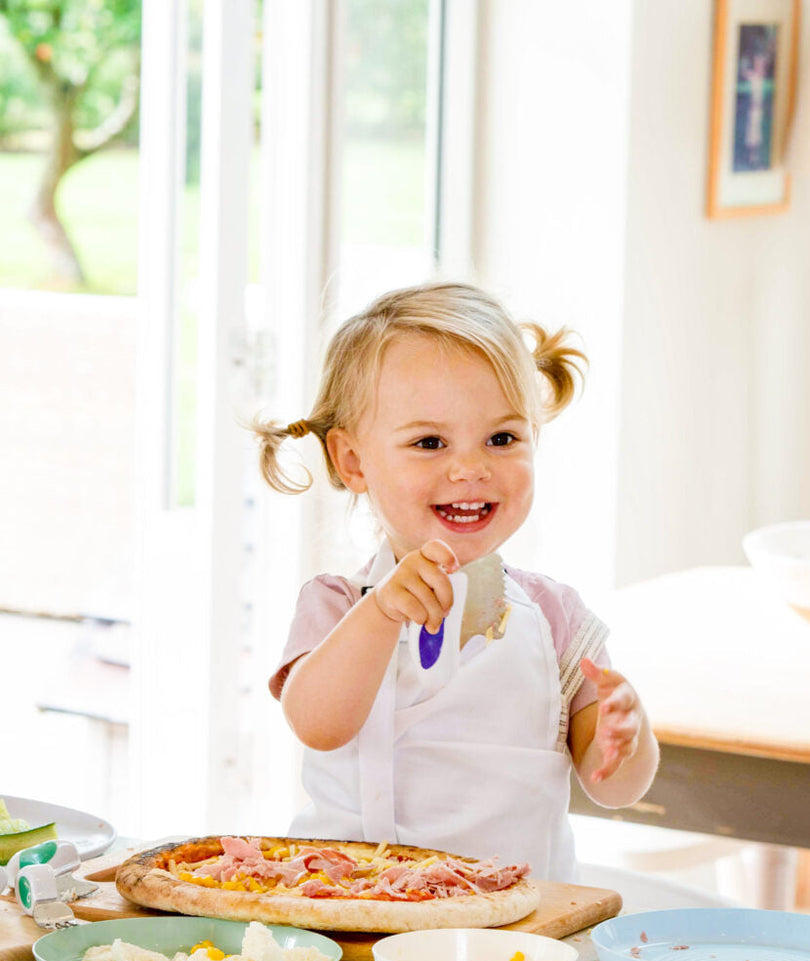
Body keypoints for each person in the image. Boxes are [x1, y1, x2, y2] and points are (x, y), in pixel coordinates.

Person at [252, 281, 659, 880]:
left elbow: (615, 788)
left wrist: (628, 736)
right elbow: (317, 724)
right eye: (429, 442)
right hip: (347, 912)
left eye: (502, 438)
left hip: (509, 934)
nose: (470, 467)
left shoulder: (556, 618)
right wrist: (381, 613)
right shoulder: (338, 605)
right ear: (353, 461)